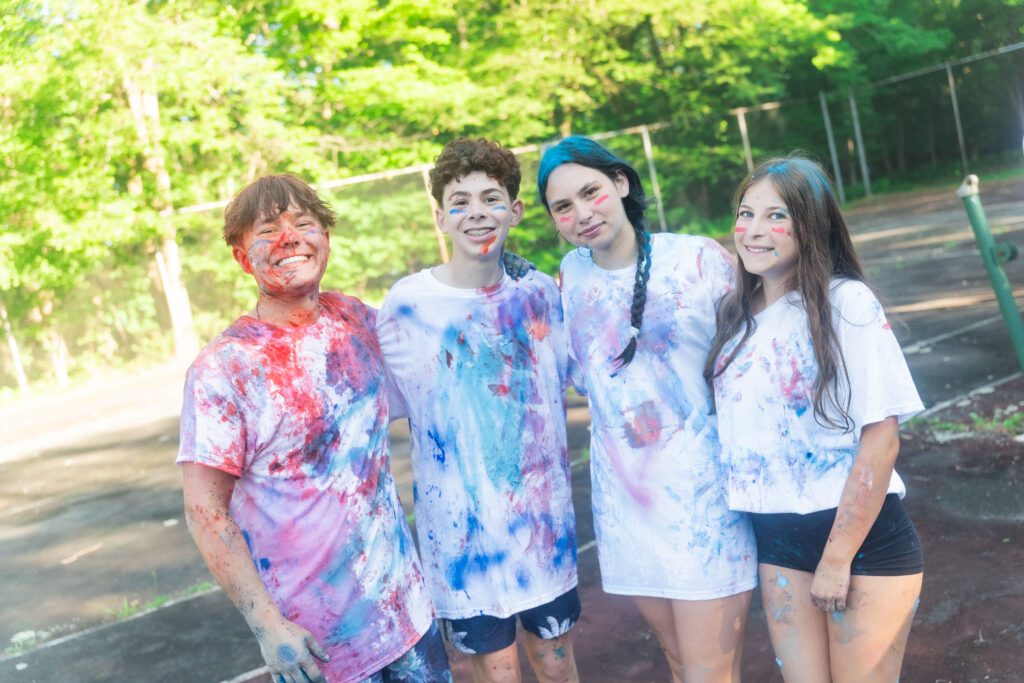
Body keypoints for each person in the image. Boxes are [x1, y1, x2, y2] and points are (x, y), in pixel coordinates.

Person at [178, 174, 451, 683]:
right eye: (266, 231)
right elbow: (204, 509)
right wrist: (266, 626)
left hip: (409, 615)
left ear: (325, 239)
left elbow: (441, 341)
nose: (289, 238)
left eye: (303, 223)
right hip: (320, 648)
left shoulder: (355, 319)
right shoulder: (224, 367)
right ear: (242, 258)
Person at [538, 136, 758, 683]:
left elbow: (756, 357)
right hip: (628, 507)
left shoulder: (697, 259)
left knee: (710, 671)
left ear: (621, 183)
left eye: (591, 192)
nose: (582, 213)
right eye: (563, 206)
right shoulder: (570, 277)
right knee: (679, 661)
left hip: (705, 499)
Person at [706, 157, 924, 682]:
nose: (754, 230)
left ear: (812, 224)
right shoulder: (735, 316)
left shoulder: (846, 303)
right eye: (745, 213)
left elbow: (881, 440)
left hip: (859, 542)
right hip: (777, 540)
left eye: (776, 216)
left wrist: (836, 558)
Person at [376, 138, 580, 683]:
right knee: (498, 674)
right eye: (460, 202)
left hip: (544, 534)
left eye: (491, 199)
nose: (476, 213)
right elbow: (380, 408)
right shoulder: (406, 307)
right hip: (463, 547)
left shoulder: (539, 293)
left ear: (514, 211)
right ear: (441, 218)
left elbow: (576, 374)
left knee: (557, 665)